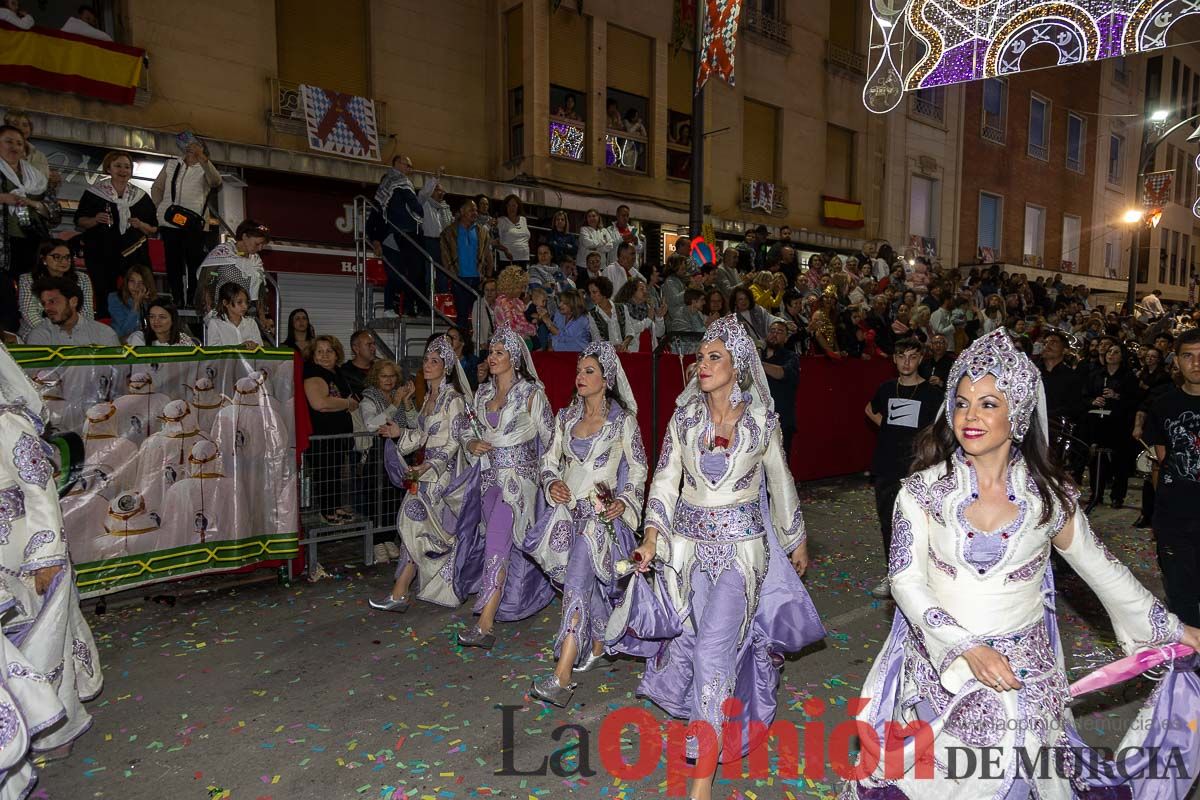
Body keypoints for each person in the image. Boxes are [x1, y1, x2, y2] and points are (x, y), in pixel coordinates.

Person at [842, 328, 1200, 800]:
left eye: (989, 404)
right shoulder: (921, 491)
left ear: (1018, 415)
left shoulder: (1048, 498)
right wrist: (966, 646)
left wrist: (1173, 628)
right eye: (963, 402)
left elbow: (1102, 570)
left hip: (1023, 677)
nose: (970, 416)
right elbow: (906, 582)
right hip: (942, 669)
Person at [605, 316, 822, 800]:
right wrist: (651, 537)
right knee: (697, 647)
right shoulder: (684, 421)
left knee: (712, 653)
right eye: (700, 357)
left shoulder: (762, 421)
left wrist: (794, 539)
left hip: (741, 558)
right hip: (685, 555)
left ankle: (699, 788)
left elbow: (780, 481)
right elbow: (664, 481)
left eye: (713, 357)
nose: (701, 365)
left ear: (738, 365)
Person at [0, 345, 105, 798]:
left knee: (47, 639)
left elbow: (40, 488)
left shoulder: (7, 422)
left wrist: (45, 557)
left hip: (27, 550)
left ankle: (56, 731)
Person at [526, 342, 647, 706]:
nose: (580, 377)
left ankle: (562, 675)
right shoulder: (565, 418)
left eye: (589, 371)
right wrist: (552, 482)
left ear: (607, 378)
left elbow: (638, 469)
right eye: (579, 370)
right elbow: (547, 463)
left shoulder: (623, 422)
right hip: (567, 516)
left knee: (577, 583)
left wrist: (624, 501)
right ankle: (597, 642)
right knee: (581, 584)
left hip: (599, 519)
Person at [451, 327, 555, 649]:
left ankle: (485, 623)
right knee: (495, 545)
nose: (491, 357)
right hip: (488, 479)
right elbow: (467, 428)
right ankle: (498, 607)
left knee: (497, 542)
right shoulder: (482, 394)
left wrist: (550, 480)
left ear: (514, 358)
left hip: (518, 483)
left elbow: (552, 440)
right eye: (490, 352)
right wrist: (472, 442)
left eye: (499, 352)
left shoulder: (531, 393)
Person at [370, 336, 472, 611]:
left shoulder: (454, 400)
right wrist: (399, 433)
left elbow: (454, 441)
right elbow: (423, 435)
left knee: (413, 523)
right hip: (424, 473)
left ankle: (403, 592)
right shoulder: (428, 397)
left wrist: (430, 465)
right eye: (426, 360)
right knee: (415, 530)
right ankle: (400, 592)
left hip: (442, 475)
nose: (427, 365)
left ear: (446, 367)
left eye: (434, 361)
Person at [863, 337, 942, 599]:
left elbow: (940, 429)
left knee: (922, 525)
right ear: (894, 359)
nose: (906, 362)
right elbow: (869, 409)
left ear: (920, 359)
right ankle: (894, 575)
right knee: (889, 523)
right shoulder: (886, 388)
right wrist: (888, 428)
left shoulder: (932, 394)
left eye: (912, 356)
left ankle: (925, 577)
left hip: (918, 468)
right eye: (901, 356)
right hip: (886, 465)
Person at [1144, 327, 1200, 627]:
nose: (1196, 363)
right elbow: (1160, 462)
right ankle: (1190, 666)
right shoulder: (1164, 404)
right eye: (1188, 356)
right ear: (1176, 361)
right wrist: (1159, 514)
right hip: (1176, 516)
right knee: (1181, 595)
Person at [76, 151, 157, 306]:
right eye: (118, 166)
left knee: (139, 292)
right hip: (101, 253)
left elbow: (153, 228)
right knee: (104, 294)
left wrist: (140, 224)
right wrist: (95, 219)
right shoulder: (94, 193)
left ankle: (140, 322)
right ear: (109, 168)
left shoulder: (141, 196)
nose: (123, 170)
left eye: (127, 167)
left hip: (134, 254)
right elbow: (80, 221)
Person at [151, 135, 221, 305]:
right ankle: (177, 298)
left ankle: (192, 300)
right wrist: (160, 208)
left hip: (194, 225)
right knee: (173, 263)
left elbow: (215, 181)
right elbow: (157, 187)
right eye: (189, 145)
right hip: (169, 222)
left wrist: (202, 159)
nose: (191, 148)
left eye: (196, 146)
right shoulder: (172, 164)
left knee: (194, 263)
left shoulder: (205, 168)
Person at [1, 125, 57, 334]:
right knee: (4, 294)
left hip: (31, 243)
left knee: (31, 293)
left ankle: (33, 334)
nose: (14, 146)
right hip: (2, 245)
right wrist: (4, 198)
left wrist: (33, 204)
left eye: (18, 143)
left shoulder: (36, 177)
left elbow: (54, 211)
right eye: (8, 141)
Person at [303, 336, 358, 526]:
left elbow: (336, 400)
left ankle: (335, 506)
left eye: (330, 351)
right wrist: (346, 403)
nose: (325, 355)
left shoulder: (337, 373)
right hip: (321, 435)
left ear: (337, 354)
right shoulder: (313, 374)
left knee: (335, 472)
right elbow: (320, 403)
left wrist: (342, 403)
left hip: (339, 435)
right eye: (320, 351)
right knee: (324, 473)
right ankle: (326, 511)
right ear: (313, 355)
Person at [1082, 342, 1137, 513]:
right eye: (1109, 351)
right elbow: (1084, 395)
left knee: (1120, 461)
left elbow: (1134, 401)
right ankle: (1096, 493)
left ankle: (1117, 496)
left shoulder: (1128, 377)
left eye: (1115, 352)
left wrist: (1117, 396)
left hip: (1118, 423)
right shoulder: (1096, 375)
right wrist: (1093, 400)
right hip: (1098, 421)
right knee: (1097, 460)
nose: (1110, 354)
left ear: (1122, 357)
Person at [368, 154, 425, 316]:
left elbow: (415, 207)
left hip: (408, 235)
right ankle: (388, 307)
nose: (410, 169)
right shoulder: (391, 189)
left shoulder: (406, 185)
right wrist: (376, 240)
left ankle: (406, 307)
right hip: (391, 235)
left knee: (414, 272)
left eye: (411, 166)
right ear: (397, 164)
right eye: (407, 165)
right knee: (395, 273)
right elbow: (374, 220)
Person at [195, 219, 271, 337]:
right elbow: (205, 282)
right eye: (257, 243)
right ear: (245, 236)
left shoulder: (256, 261)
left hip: (244, 316)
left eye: (262, 245)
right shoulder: (222, 253)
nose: (260, 248)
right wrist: (210, 313)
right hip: (219, 314)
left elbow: (259, 290)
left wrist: (262, 317)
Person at [18, 240, 95, 339]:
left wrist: (71, 331)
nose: (64, 261)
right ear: (43, 259)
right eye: (57, 257)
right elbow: (30, 314)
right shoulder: (28, 279)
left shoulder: (82, 279)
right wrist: (56, 332)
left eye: (67, 257)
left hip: (75, 331)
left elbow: (87, 312)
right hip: (38, 331)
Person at [439, 199, 494, 332]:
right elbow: (445, 256)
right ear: (462, 211)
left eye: (475, 210)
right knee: (462, 317)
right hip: (459, 279)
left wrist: (488, 276)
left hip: (477, 280)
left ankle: (477, 346)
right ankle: (461, 347)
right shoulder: (449, 232)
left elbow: (488, 254)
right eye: (471, 210)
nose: (475, 213)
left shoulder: (482, 232)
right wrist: (451, 275)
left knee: (479, 317)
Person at [25, 277, 119, 346]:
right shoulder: (39, 335)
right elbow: (33, 371)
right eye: (44, 303)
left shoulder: (103, 333)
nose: (47, 308)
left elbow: (118, 369)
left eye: (52, 301)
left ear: (73, 301)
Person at [586, 276, 662, 353]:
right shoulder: (592, 314)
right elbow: (596, 338)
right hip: (608, 356)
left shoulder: (621, 307)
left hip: (625, 352)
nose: (591, 296)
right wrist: (614, 347)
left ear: (603, 291)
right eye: (590, 293)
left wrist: (624, 344)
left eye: (594, 292)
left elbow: (629, 330)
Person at [761, 319, 800, 458]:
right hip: (758, 420)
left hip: (781, 420)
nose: (774, 334)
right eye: (772, 331)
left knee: (780, 464)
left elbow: (781, 373)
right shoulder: (759, 355)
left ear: (786, 337)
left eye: (780, 332)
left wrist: (757, 364)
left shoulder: (791, 357)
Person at [204, 283, 261, 349]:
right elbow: (214, 353)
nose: (245, 306)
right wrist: (239, 348)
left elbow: (261, 350)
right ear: (225, 303)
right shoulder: (215, 324)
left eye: (246, 302)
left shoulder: (251, 323)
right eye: (239, 302)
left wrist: (255, 346)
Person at [106, 263, 154, 341]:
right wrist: (136, 304)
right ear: (126, 281)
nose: (136, 286)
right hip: (120, 343)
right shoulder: (115, 298)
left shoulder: (152, 301)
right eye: (132, 281)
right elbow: (124, 331)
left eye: (141, 282)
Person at [417, 167, 452, 275]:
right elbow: (424, 193)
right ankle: (428, 292)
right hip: (428, 242)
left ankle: (442, 292)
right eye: (437, 190)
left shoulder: (444, 208)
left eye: (442, 191)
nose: (441, 193)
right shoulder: (424, 203)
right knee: (428, 273)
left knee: (443, 272)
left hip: (441, 243)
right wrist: (435, 178)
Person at [127, 298, 197, 346]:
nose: (156, 321)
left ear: (173, 320)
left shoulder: (183, 340)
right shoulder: (139, 338)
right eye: (152, 316)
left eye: (162, 317)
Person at [495, 194, 530, 268]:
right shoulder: (500, 221)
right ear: (506, 207)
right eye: (509, 205)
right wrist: (505, 250)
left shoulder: (523, 219)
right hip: (507, 260)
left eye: (514, 205)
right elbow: (495, 242)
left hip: (524, 259)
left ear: (518, 206)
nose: (511, 208)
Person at [339, 330, 377, 400]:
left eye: (374, 344)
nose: (373, 348)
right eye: (369, 344)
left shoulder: (381, 369)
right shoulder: (343, 373)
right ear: (356, 348)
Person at [606, 204, 644, 269]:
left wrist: (636, 242)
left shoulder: (633, 230)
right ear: (617, 216)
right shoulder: (609, 230)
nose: (626, 218)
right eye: (623, 215)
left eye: (627, 216)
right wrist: (622, 238)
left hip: (631, 267)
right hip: (616, 266)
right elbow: (609, 246)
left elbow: (640, 250)